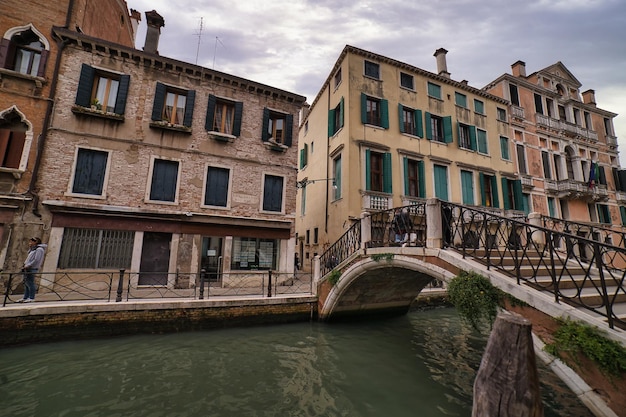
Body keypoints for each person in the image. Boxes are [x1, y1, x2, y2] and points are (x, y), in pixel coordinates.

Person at [19, 237, 47, 303]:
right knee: (26, 283)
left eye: (31, 242)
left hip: (31, 268)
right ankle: (25, 297)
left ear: (36, 242)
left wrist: (29, 265)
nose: (30, 243)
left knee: (30, 283)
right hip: (27, 267)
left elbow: (36, 259)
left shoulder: (39, 249)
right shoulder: (33, 249)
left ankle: (31, 297)